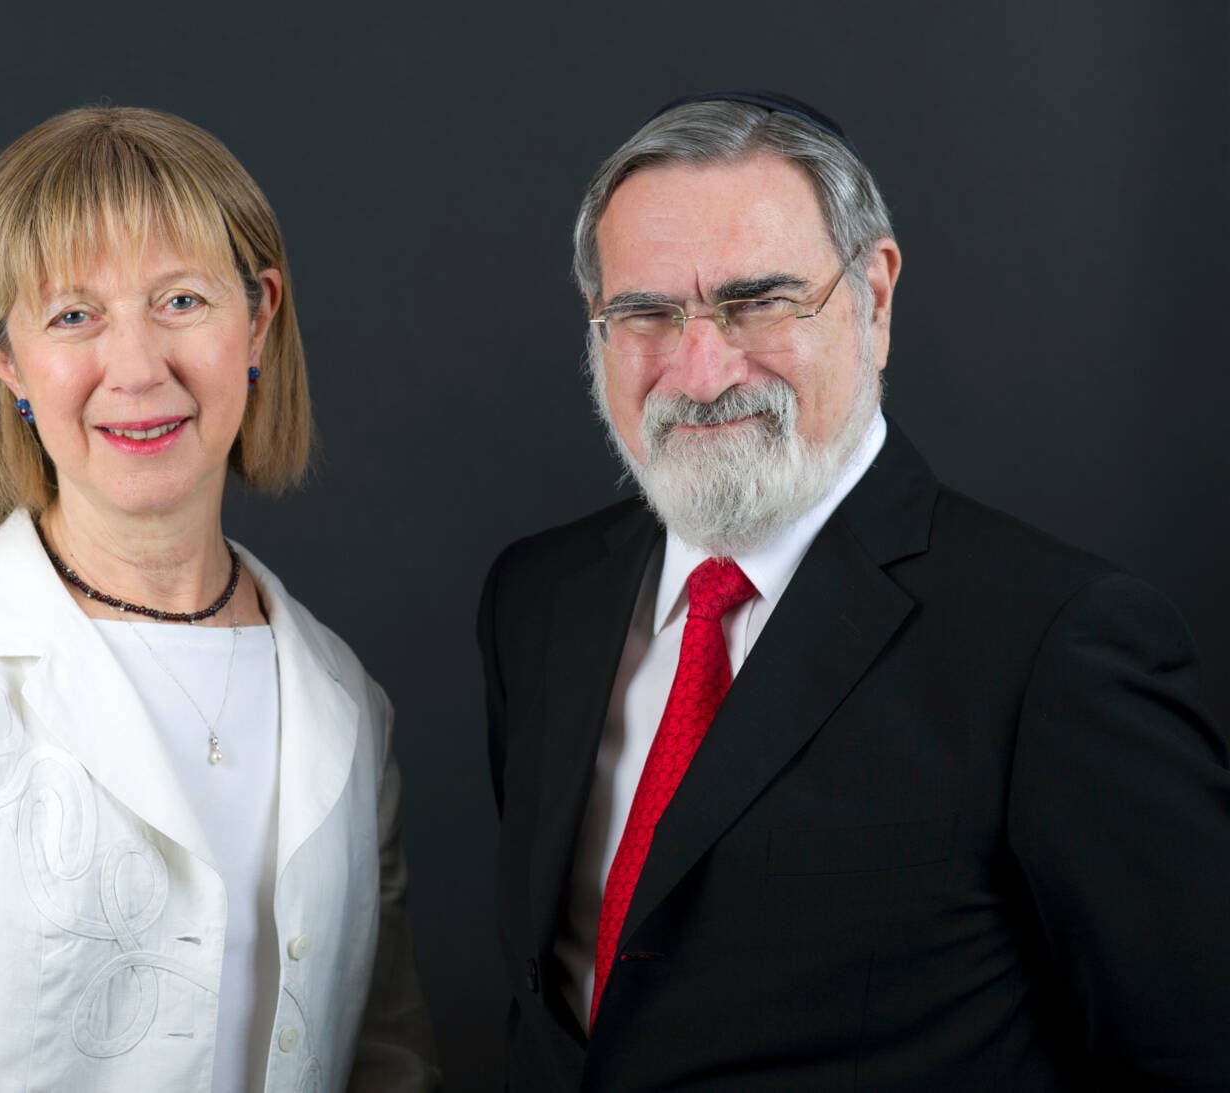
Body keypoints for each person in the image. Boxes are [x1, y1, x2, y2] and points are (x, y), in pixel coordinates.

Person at [478, 90, 1230, 1091]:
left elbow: (1186, 1057)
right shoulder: (538, 599)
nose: (700, 373)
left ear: (871, 297)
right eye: (647, 314)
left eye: (756, 302)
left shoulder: (1055, 644)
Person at [0, 105, 439, 1092]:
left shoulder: (345, 695)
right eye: (73, 315)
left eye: (180, 302)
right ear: (3, 359)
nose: (137, 369)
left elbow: (389, 1065)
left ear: (257, 316)